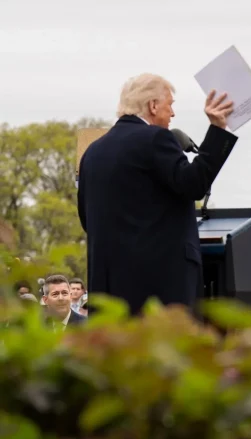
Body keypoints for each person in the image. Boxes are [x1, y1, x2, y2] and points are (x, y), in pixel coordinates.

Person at [77, 74, 236, 315]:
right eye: (170, 105)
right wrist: (218, 130)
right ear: (153, 105)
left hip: (109, 294)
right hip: (158, 292)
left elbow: (87, 218)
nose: (172, 114)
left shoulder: (92, 152)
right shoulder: (155, 138)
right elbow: (193, 184)